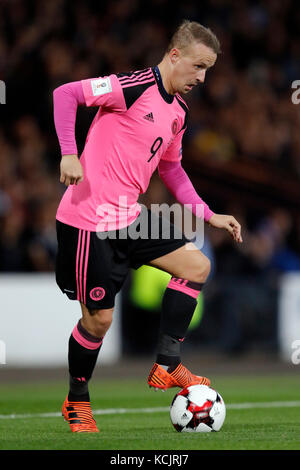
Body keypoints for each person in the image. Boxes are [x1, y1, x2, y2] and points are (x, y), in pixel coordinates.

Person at [53, 20, 242, 433]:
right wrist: (70, 153)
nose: (201, 77)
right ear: (174, 56)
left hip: (129, 216)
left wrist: (209, 214)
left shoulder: (179, 112)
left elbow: (172, 169)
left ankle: (167, 364)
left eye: (207, 69)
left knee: (197, 266)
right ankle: (76, 400)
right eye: (197, 66)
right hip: (89, 222)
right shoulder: (133, 86)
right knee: (98, 322)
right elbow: (65, 94)